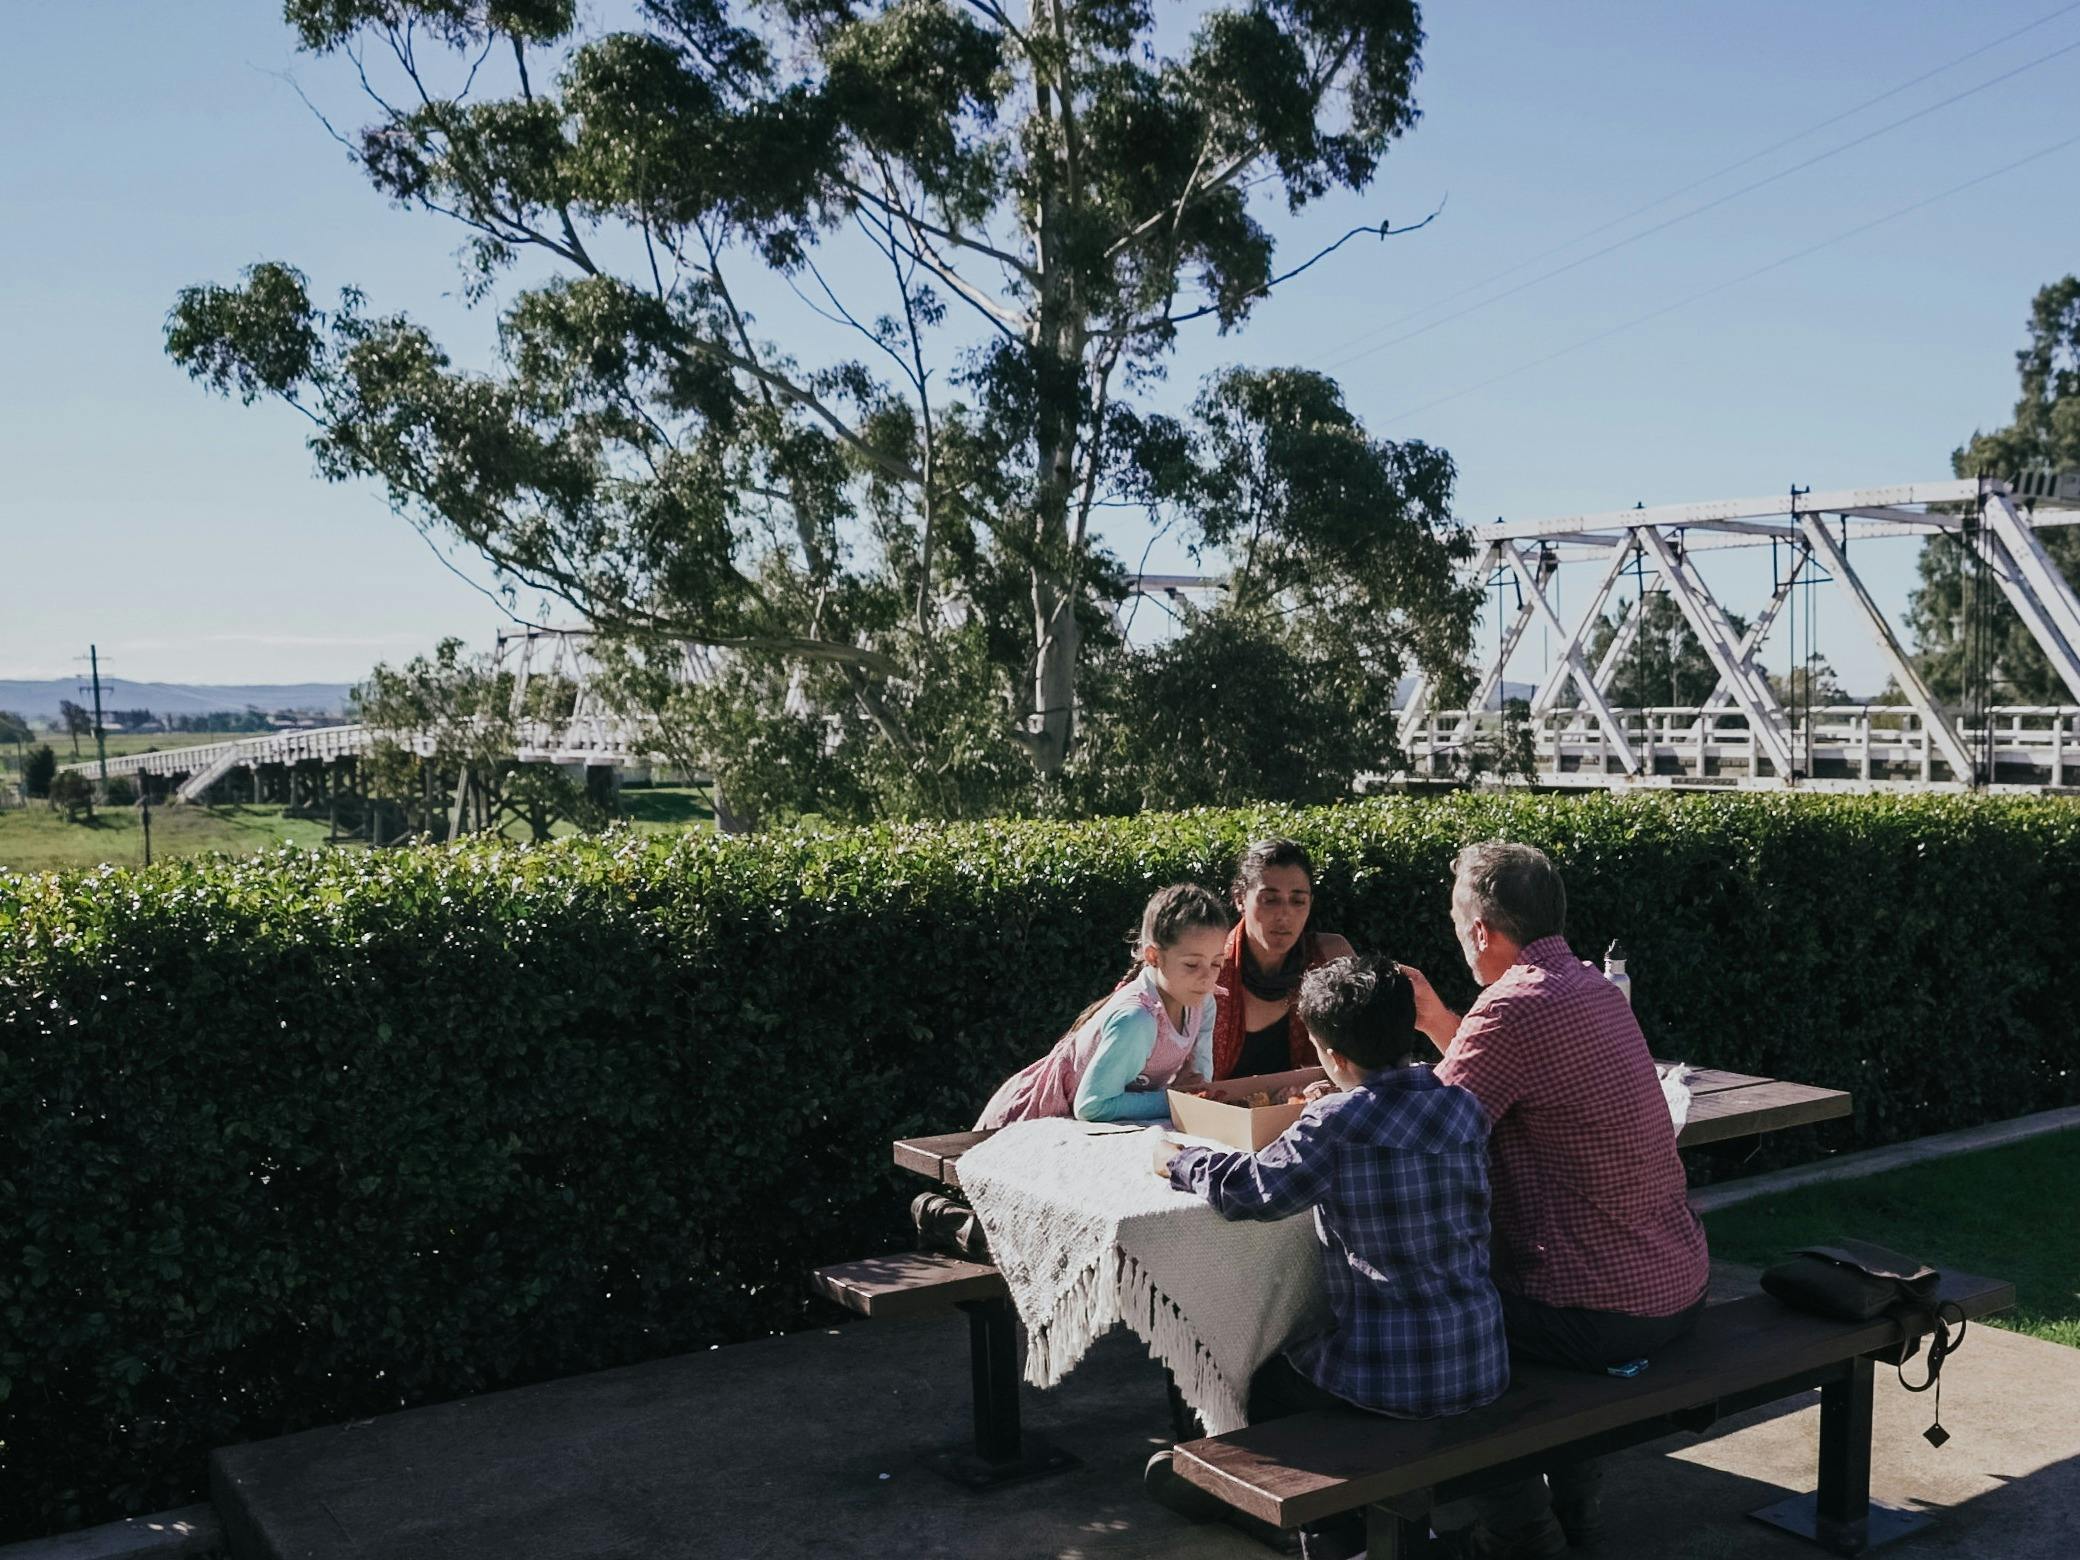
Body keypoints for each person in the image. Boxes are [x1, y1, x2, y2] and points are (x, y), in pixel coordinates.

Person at [1399, 841, 1710, 1559]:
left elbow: (1423, 1141)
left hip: (1601, 1316)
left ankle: (1517, 1530)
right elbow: (1506, 1072)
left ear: (1481, 931)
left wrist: (1343, 1095)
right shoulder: (1594, 988)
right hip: (1679, 1285)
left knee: (1429, 1329)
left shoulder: (1509, 1008)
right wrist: (1439, 1020)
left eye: (1457, 924)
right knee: (1531, 1293)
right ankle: (1577, 1510)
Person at [1145, 956, 1508, 1560]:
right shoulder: (1463, 1105)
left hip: (1390, 1376)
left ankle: (1337, 1539)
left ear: (1332, 1057)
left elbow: (1252, 1191)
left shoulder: (1336, 1122)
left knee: (1265, 1382)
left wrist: (1178, 1160)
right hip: (1481, 1357)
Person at [975, 883, 1230, 1128]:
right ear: (1153, 956)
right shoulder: (1137, 1020)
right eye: (1191, 964)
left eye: (1216, 963)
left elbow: (1196, 1083)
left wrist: (1191, 1094)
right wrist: (1174, 1100)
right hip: (1024, 1123)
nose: (1207, 977)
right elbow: (1092, 1106)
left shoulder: (1202, 1003)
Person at [1213, 838, 1355, 1080]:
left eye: (1298, 901)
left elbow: (1368, 1055)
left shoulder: (1331, 959)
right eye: (1270, 900)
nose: (1284, 915)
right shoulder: (1208, 966)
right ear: (1240, 899)